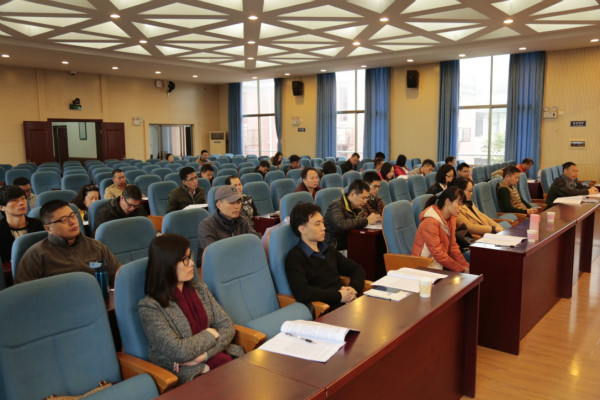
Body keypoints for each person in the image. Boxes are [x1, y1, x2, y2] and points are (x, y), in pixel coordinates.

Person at [138, 234, 244, 383]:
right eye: (185, 259)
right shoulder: (150, 307)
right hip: (188, 375)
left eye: (190, 257)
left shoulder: (200, 289)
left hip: (215, 359)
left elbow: (227, 326)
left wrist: (204, 355)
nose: (192, 263)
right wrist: (210, 333)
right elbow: (180, 351)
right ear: (167, 264)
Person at [15, 200, 120, 284]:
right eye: (64, 220)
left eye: (72, 216)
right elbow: (24, 294)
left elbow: (117, 275)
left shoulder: (96, 246)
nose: (72, 222)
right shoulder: (36, 255)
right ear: (48, 228)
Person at [285, 203, 365, 312]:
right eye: (317, 224)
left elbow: (356, 269)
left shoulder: (327, 248)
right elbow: (303, 292)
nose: (323, 228)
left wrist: (352, 289)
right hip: (327, 309)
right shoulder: (295, 258)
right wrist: (339, 296)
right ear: (302, 229)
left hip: (348, 302)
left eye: (322, 222)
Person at [412, 186, 469, 272]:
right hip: (425, 266)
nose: (460, 209)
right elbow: (438, 253)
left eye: (462, 205)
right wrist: (461, 269)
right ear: (447, 201)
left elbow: (453, 247)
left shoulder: (451, 219)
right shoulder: (431, 221)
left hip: (439, 263)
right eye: (459, 204)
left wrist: (466, 266)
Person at [197, 185, 259, 258]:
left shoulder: (242, 220)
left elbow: (256, 240)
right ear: (219, 205)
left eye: (239, 202)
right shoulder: (206, 226)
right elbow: (215, 255)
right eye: (232, 202)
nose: (237, 206)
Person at [324, 179, 381, 251]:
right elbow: (340, 225)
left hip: (351, 241)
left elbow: (359, 223)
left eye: (366, 198)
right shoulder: (336, 205)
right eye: (363, 198)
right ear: (352, 194)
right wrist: (366, 221)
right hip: (336, 247)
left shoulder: (357, 206)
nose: (365, 202)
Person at [0, 186, 44, 265]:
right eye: (14, 200)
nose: (21, 203)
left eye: (23, 198)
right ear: (2, 207)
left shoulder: (40, 224)